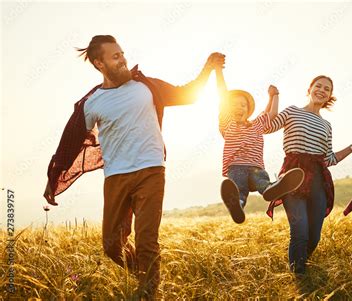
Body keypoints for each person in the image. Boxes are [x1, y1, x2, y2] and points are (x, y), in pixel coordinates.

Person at [42, 35, 224, 299]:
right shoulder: (92, 102)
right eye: (115, 56)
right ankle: (144, 274)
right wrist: (53, 177)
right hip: (116, 177)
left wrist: (207, 67)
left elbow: (187, 95)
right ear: (99, 63)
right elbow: (70, 143)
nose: (123, 59)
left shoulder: (146, 86)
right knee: (111, 245)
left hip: (151, 171)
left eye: (122, 53)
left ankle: (148, 291)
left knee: (147, 240)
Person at [264, 75, 352, 275]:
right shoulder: (292, 111)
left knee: (314, 237)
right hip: (293, 176)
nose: (322, 90)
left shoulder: (326, 125)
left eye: (327, 89)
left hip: (318, 180)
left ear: (329, 96)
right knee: (299, 231)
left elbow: (328, 159)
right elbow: (268, 126)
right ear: (309, 89)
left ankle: (301, 263)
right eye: (318, 86)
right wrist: (273, 97)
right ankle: (299, 277)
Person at [215, 65, 304, 224]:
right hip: (236, 167)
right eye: (234, 105)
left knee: (262, 182)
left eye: (243, 105)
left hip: (256, 167)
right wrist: (218, 72)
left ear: (248, 110)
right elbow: (222, 95)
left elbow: (272, 113)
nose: (239, 107)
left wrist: (274, 95)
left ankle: (271, 189)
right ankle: (238, 205)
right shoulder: (227, 124)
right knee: (238, 189)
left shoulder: (257, 124)